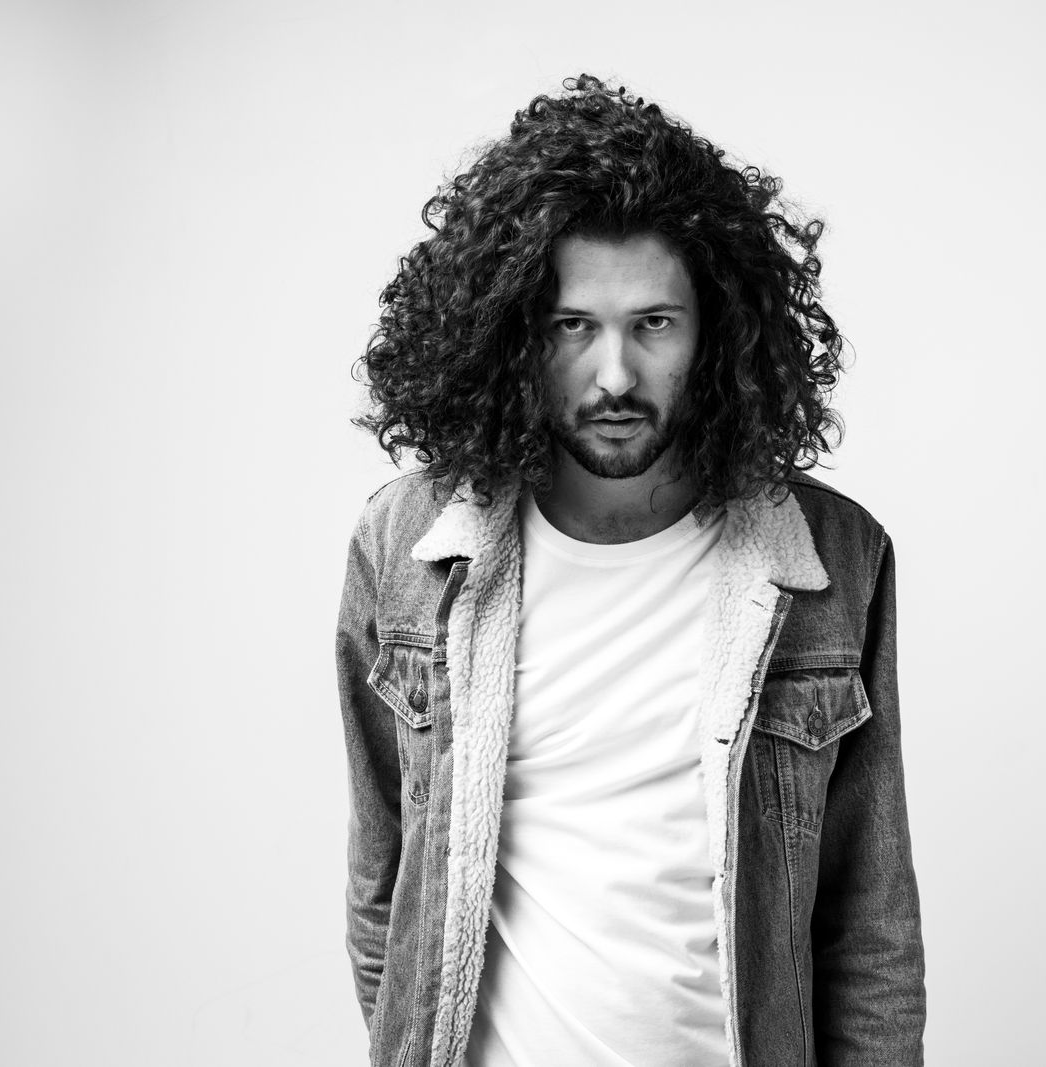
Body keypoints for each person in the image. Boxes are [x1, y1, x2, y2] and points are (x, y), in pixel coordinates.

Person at [336, 73, 925, 1067]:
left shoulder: (829, 559)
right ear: (514, 335)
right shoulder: (408, 546)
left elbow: (868, 929)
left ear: (717, 332)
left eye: (654, 323)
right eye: (574, 325)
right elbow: (384, 897)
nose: (614, 375)